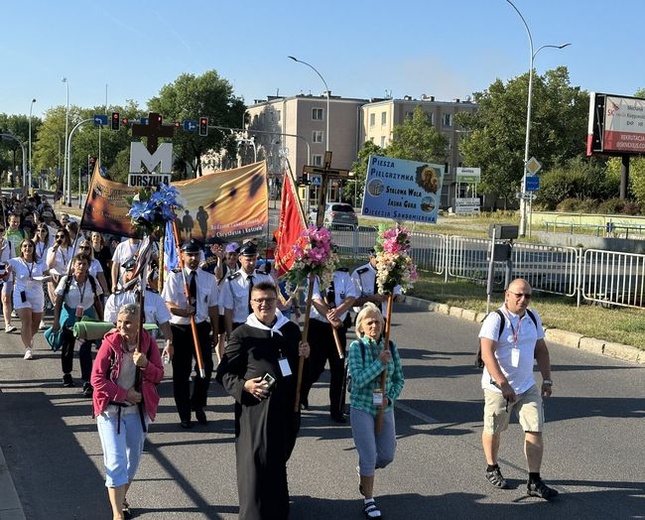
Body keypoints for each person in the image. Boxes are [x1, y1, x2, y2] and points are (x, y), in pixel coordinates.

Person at [216, 282, 310, 520]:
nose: (264, 305)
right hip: (255, 412)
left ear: (277, 302)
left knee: (277, 462)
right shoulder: (241, 335)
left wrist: (305, 356)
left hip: (285, 409)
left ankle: (277, 511)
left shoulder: (289, 330)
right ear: (251, 303)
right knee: (255, 466)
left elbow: (300, 372)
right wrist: (244, 386)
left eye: (269, 300)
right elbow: (224, 374)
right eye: (259, 300)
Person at [478, 278, 558, 500]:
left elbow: (541, 350)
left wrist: (547, 379)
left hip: (526, 386)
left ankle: (534, 479)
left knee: (535, 429)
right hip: (498, 388)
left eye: (528, 296)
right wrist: (503, 384)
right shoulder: (496, 319)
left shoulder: (533, 317)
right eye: (519, 295)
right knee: (494, 429)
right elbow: (487, 353)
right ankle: (492, 467)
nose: (524, 300)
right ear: (507, 295)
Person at [91, 303, 164, 520]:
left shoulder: (148, 345)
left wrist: (145, 364)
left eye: (128, 322)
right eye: (119, 322)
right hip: (110, 412)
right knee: (115, 462)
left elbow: (159, 376)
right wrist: (124, 394)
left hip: (137, 413)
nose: (122, 326)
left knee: (132, 464)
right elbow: (96, 380)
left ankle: (120, 498)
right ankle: (117, 514)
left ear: (139, 323)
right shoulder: (110, 344)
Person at [348, 303, 404, 519]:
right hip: (361, 407)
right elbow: (359, 380)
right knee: (369, 456)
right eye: (369, 322)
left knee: (386, 455)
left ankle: (364, 469)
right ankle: (369, 500)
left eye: (378, 321)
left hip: (384, 408)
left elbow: (399, 378)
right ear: (361, 326)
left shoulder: (390, 346)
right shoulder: (356, 348)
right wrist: (379, 364)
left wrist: (391, 396)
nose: (374, 325)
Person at [161, 239, 219, 428]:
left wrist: (216, 332)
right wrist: (183, 311)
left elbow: (213, 307)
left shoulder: (208, 279)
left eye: (196, 254)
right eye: (190, 255)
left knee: (205, 368)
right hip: (180, 328)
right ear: (183, 256)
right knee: (181, 372)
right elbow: (167, 304)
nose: (193, 258)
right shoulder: (175, 277)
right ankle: (184, 414)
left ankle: (198, 403)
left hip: (201, 327)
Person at [299, 267, 358, 422]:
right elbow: (316, 299)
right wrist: (329, 315)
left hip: (338, 326)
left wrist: (337, 312)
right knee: (314, 368)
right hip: (318, 327)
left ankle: (337, 410)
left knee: (338, 370)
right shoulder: (314, 276)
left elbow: (351, 297)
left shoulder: (344, 275)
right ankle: (301, 394)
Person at [52, 253, 104, 390]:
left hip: (87, 318)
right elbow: (58, 302)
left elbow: (98, 302)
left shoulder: (92, 281)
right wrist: (56, 321)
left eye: (85, 264)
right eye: (79, 264)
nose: (81, 266)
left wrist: (102, 321)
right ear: (73, 265)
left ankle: (87, 381)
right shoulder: (66, 280)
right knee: (68, 346)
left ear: (88, 266)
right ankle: (67, 374)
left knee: (85, 348)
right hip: (70, 316)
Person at [219, 242, 273, 338]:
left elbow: (273, 303)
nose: (252, 263)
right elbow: (228, 311)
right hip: (241, 327)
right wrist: (230, 335)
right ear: (240, 259)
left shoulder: (265, 278)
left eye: (254, 259)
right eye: (248, 260)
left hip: (262, 325)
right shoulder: (231, 282)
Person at [7, 238, 47, 360]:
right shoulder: (15, 261)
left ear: (33, 248)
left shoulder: (40, 262)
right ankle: (28, 349)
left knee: (35, 324)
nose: (27, 248)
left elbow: (48, 274)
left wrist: (47, 278)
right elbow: (3, 268)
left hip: (37, 295)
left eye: (30, 246)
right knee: (26, 321)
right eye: (25, 246)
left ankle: (29, 337)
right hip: (21, 294)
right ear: (21, 248)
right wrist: (7, 272)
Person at [351, 249, 403, 315]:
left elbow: (399, 298)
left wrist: (391, 296)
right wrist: (372, 298)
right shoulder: (359, 274)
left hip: (383, 318)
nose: (380, 262)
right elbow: (352, 302)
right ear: (370, 257)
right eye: (377, 259)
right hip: (364, 317)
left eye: (383, 259)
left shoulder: (391, 273)